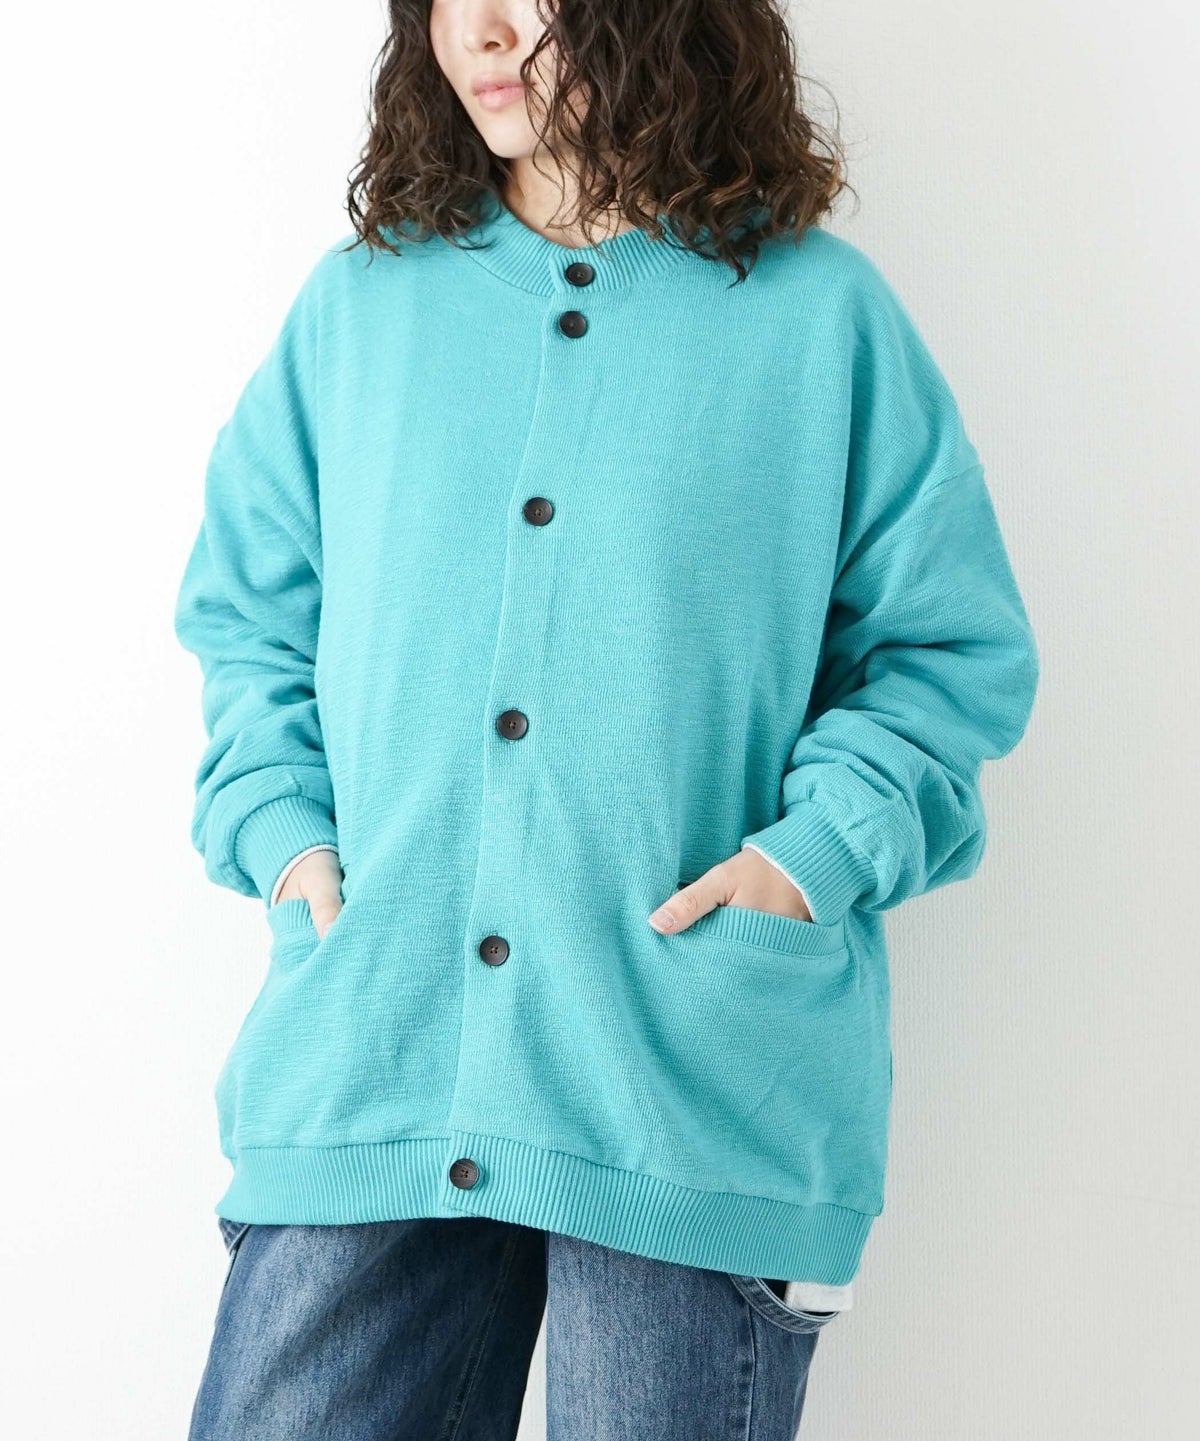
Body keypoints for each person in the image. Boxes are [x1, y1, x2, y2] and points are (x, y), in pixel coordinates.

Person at [174, 1, 1040, 1436]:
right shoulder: (361, 309)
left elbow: (944, 653)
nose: (482, 29)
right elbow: (248, 619)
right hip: (377, 1049)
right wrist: (283, 837)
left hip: (686, 1077)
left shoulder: (819, 316)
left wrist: (810, 859)